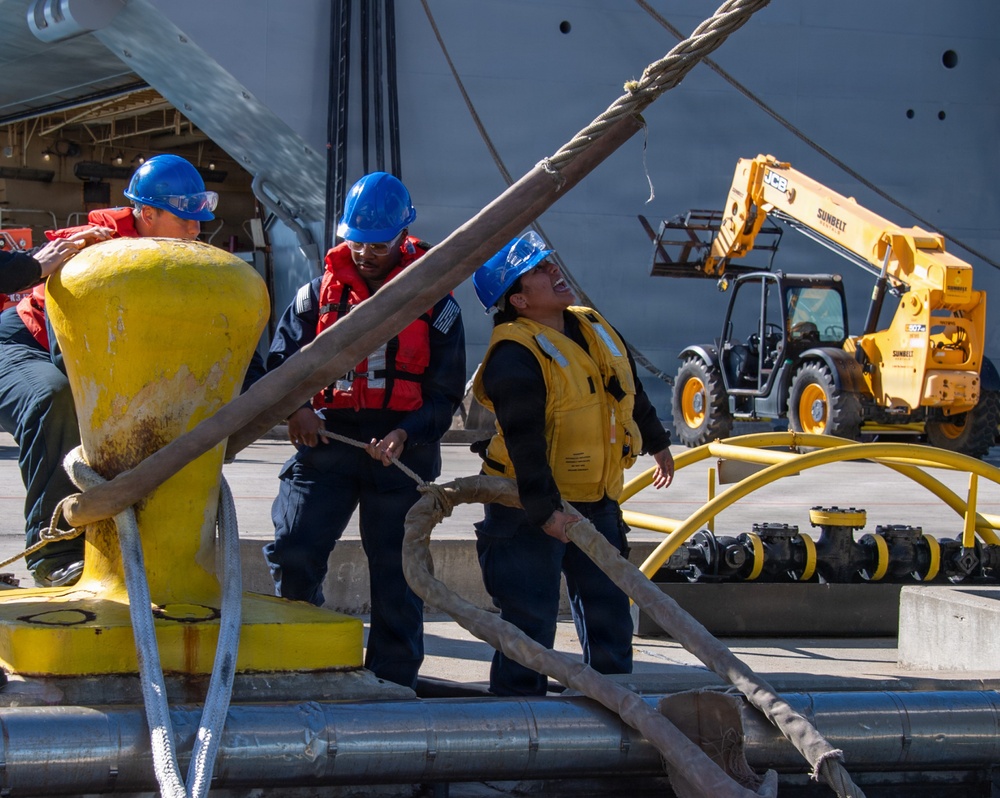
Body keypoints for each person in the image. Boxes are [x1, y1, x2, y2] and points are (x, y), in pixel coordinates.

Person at [264, 172, 466, 690]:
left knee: (398, 574)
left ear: (403, 237)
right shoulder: (315, 296)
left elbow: (445, 397)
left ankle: (393, 683)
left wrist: (406, 432)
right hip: (327, 441)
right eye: (355, 240)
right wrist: (298, 408)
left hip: (401, 455)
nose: (365, 253)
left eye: (377, 244)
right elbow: (282, 361)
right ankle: (301, 658)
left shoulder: (438, 307)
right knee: (295, 547)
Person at [470, 231, 675, 696]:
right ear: (518, 299)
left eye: (550, 262)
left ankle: (614, 716)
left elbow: (627, 389)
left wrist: (658, 442)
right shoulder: (514, 354)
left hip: (596, 501)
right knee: (529, 622)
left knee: (609, 613)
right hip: (526, 509)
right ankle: (519, 726)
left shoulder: (592, 326)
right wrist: (545, 512)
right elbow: (525, 441)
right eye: (540, 270)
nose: (554, 270)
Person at [0, 153, 217, 588]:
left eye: (199, 219)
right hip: (26, 343)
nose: (195, 229)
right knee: (57, 400)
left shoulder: (183, 261)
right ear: (148, 214)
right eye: (183, 219)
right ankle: (53, 554)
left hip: (82, 354)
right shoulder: (95, 252)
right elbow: (72, 354)